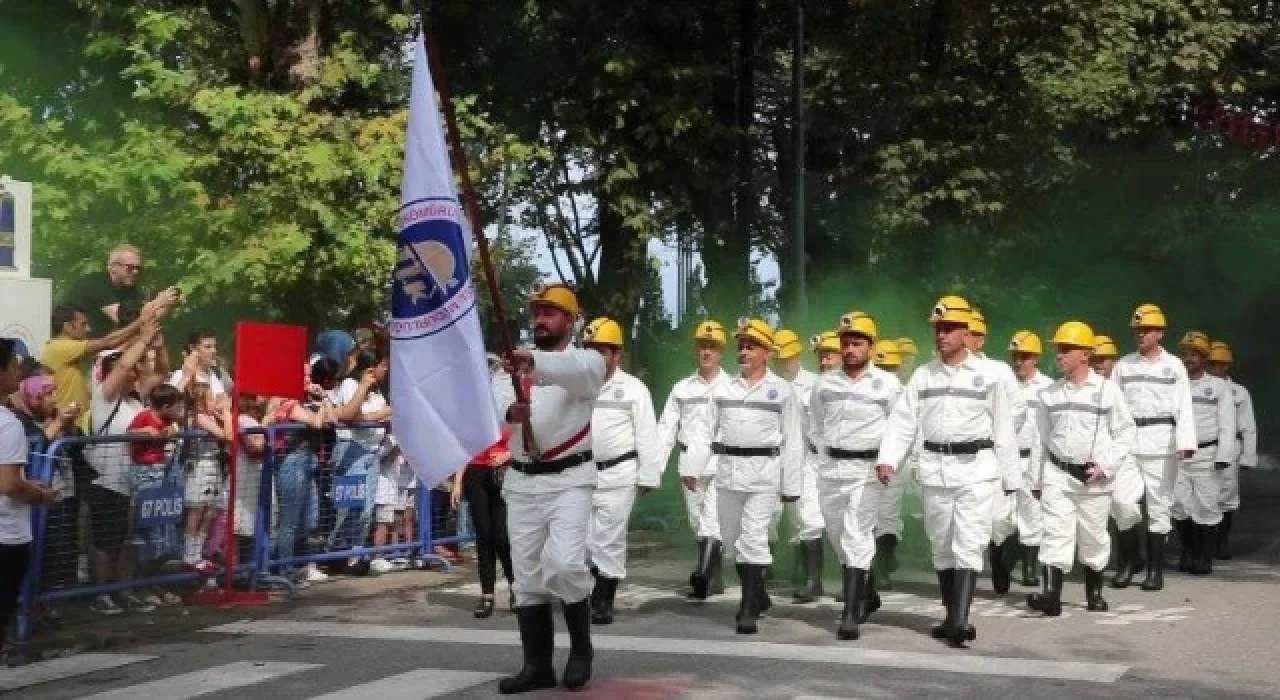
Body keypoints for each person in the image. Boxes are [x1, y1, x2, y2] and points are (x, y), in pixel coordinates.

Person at [875, 294, 1019, 648]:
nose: (942, 335)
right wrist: (889, 457)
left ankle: (960, 620)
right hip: (936, 469)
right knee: (941, 544)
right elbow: (904, 421)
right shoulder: (924, 376)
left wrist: (1011, 479)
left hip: (976, 469)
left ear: (965, 331)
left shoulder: (990, 375)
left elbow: (1003, 429)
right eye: (938, 328)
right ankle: (950, 614)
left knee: (968, 543)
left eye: (949, 328)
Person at [491, 283, 606, 694]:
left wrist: (531, 363)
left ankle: (580, 650)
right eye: (537, 312)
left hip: (569, 480)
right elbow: (496, 398)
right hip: (523, 480)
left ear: (571, 321)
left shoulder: (586, 360)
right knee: (527, 576)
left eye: (551, 312)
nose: (541, 319)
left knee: (565, 564)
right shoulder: (514, 363)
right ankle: (537, 665)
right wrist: (510, 409)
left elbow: (580, 374)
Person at [703, 318, 804, 635]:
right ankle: (758, 593)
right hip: (728, 473)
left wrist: (791, 486)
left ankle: (747, 609)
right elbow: (705, 431)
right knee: (732, 541)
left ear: (767, 353)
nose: (744, 351)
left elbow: (793, 441)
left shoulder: (782, 391)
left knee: (754, 537)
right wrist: (694, 469)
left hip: (763, 475)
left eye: (751, 346)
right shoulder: (723, 388)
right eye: (741, 346)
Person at [1028, 321, 1135, 616]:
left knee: (1093, 538)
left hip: (1093, 479)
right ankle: (1051, 595)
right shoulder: (1049, 394)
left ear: (1085, 355)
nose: (1059, 355)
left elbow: (1126, 433)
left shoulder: (1108, 391)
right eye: (1058, 349)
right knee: (1054, 535)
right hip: (1058, 474)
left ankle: (1094, 592)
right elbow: (1040, 439)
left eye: (1065, 349)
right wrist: (1035, 481)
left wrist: (1107, 466)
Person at [809, 311, 901, 640]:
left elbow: (899, 427)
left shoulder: (888, 385)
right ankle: (868, 589)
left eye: (857, 342)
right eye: (846, 342)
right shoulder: (824, 384)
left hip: (866, 470)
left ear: (871, 347)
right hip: (832, 469)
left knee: (856, 534)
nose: (850, 348)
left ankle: (849, 614)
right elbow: (816, 425)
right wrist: (824, 456)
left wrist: (888, 460)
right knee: (837, 536)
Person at [581, 317, 661, 625]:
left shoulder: (633, 389)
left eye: (603, 350)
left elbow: (647, 434)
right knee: (584, 541)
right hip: (581, 472)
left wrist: (648, 475)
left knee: (609, 540)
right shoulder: (578, 386)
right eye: (590, 349)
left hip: (619, 473)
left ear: (617, 355)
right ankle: (588, 593)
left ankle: (603, 600)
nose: (596, 356)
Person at [1111, 303, 1196, 591]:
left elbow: (1184, 405)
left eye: (1146, 330)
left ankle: (1155, 571)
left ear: (1159, 333)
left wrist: (1185, 442)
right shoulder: (1123, 365)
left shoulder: (1174, 366)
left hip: (1162, 441)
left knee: (1159, 507)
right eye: (1137, 330)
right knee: (1122, 503)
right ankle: (1129, 561)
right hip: (1128, 442)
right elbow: (1112, 407)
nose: (1141, 335)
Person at [84, 320, 163, 614]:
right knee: (105, 540)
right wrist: (141, 338)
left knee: (129, 539)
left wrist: (155, 338)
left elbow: (160, 372)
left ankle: (122, 589)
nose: (131, 371)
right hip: (107, 481)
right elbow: (120, 367)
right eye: (125, 368)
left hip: (134, 480)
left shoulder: (134, 401)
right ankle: (100, 593)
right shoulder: (104, 398)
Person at [656, 320, 729, 600]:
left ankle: (703, 575)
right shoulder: (681, 389)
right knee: (697, 522)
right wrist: (656, 469)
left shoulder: (731, 387)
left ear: (721, 352)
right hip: (688, 460)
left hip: (718, 460)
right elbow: (666, 430)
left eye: (712, 347)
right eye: (702, 347)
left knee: (713, 519)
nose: (706, 352)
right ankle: (715, 576)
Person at [0, 338, 61, 657]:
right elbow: (9, 485)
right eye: (12, 365)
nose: (17, 371)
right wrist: (40, 494)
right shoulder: (8, 425)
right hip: (6, 536)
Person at [965, 310, 1028, 596]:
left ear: (982, 339)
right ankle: (961, 582)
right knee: (968, 519)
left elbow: (1017, 408)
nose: (970, 339)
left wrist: (997, 436)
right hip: (962, 457)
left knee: (999, 519)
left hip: (993, 451)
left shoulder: (999, 370)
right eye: (966, 333)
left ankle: (999, 556)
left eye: (975, 334)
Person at [1170, 331, 1235, 576]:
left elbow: (1227, 424)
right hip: (1178, 455)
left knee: (1207, 506)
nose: (1189, 359)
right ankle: (1188, 551)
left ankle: (1204, 556)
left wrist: (1223, 456)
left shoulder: (1218, 387)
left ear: (1205, 358)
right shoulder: (1176, 385)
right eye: (1186, 354)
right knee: (1178, 504)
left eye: (1194, 354)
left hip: (1207, 453)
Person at [41, 302, 167, 428]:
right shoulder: (58, 347)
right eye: (83, 324)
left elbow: (109, 341)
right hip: (65, 427)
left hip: (76, 425)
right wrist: (141, 322)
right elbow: (108, 342)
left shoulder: (69, 349)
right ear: (67, 326)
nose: (88, 329)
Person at [770, 328, 826, 603]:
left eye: (788, 357)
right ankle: (789, 567)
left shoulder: (815, 384)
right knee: (783, 515)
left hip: (809, 458)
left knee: (809, 517)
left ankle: (813, 579)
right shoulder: (768, 384)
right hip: (773, 456)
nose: (784, 363)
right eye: (780, 358)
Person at [1001, 330, 1053, 587]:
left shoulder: (1047, 387)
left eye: (1025, 356)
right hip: (1005, 458)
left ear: (1036, 358)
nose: (1019, 361)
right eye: (1015, 357)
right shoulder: (1002, 385)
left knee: (1032, 514)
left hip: (1033, 458)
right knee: (1001, 516)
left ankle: (1030, 569)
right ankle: (1002, 560)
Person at [455, 426, 514, 618]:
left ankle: (517, 587)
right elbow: (464, 448)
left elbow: (528, 443)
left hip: (502, 472)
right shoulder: (474, 412)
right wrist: (457, 483)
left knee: (502, 537)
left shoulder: (508, 408)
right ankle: (487, 595)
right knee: (484, 536)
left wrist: (507, 455)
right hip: (475, 472)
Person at [1206, 340, 1256, 560]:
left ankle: (1221, 541)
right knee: (1203, 494)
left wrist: (1248, 456)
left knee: (1227, 496)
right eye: (1211, 363)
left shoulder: (1239, 392)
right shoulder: (1199, 387)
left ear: (1227, 366)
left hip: (1231, 448)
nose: (1215, 367)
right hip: (1205, 445)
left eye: (1219, 363)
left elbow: (1248, 426)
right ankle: (1202, 543)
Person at [66, 244, 180, 332]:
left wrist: (168, 304)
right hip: (75, 345)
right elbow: (122, 318)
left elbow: (143, 321)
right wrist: (159, 302)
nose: (135, 272)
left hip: (101, 346)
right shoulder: (94, 283)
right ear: (113, 267)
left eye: (138, 268)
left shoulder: (129, 290)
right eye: (130, 267)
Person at [870, 338, 908, 591]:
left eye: (891, 367)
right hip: (864, 461)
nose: (887, 372)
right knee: (865, 517)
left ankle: (882, 566)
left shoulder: (904, 393)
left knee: (888, 516)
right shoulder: (866, 387)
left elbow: (909, 431)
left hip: (894, 462)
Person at [168, 330, 227, 397]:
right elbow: (171, 402)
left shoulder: (215, 374)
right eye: (208, 347)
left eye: (214, 346)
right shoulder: (180, 375)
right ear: (193, 348)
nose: (214, 351)